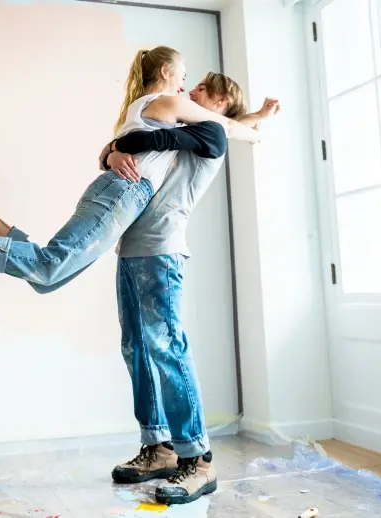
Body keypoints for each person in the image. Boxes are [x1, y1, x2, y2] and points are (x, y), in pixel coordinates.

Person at [0, 46, 259, 282]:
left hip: (123, 192)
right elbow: (222, 126)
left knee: (48, 275)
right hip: (126, 191)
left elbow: (219, 128)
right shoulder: (167, 102)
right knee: (50, 267)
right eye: (182, 77)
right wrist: (258, 126)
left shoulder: (156, 109)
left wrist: (254, 118)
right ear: (165, 74)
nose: (185, 86)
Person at [98, 74, 280, 505]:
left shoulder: (208, 132)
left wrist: (114, 148)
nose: (189, 91)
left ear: (217, 101)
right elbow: (130, 140)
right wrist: (110, 152)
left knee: (167, 348)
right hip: (131, 249)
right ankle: (158, 447)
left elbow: (144, 139)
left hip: (162, 252)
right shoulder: (190, 126)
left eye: (200, 89)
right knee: (136, 347)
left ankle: (197, 459)